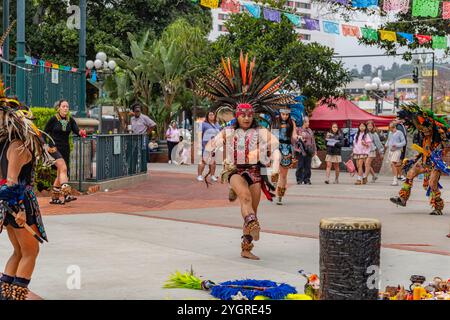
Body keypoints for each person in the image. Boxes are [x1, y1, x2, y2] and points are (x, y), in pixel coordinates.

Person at [198, 52, 291, 260]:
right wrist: (206, 159)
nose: (247, 118)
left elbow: (275, 144)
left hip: (255, 171)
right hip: (235, 170)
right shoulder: (228, 131)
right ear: (236, 115)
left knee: (253, 214)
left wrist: (273, 162)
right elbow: (211, 145)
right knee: (246, 198)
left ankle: (246, 248)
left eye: (250, 115)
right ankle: (236, 193)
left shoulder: (260, 131)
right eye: (243, 115)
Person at [0, 83, 48, 300]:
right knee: (30, 252)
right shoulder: (18, 146)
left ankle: (6, 295)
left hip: (8, 204)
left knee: (19, 251)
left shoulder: (5, 145)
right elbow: (11, 181)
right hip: (20, 203)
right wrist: (18, 209)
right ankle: (16, 296)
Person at [390, 104, 449, 217]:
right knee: (410, 174)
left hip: (436, 162)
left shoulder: (440, 134)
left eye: (426, 128)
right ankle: (402, 198)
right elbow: (423, 144)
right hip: (424, 160)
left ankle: (438, 207)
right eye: (421, 128)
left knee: (432, 184)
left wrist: (441, 158)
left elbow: (447, 149)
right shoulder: (423, 134)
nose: (424, 130)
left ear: (432, 125)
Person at [44, 99, 86, 204]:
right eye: (63, 106)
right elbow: (44, 133)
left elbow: (77, 131)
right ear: (58, 108)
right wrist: (46, 146)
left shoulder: (70, 120)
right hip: (54, 148)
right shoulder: (53, 119)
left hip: (65, 149)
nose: (65, 108)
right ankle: (67, 195)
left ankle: (54, 198)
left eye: (67, 106)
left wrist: (81, 132)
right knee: (63, 169)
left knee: (60, 173)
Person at [272, 109, 297, 205]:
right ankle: (274, 176)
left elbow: (294, 136)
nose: (285, 116)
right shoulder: (275, 121)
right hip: (277, 146)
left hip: (287, 149)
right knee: (276, 163)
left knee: (283, 175)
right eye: (283, 114)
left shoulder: (292, 122)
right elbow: (272, 136)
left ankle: (280, 195)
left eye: (287, 114)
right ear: (280, 113)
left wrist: (297, 137)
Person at [197, 111, 221, 182]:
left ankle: (212, 175)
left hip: (214, 146)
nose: (211, 116)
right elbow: (199, 134)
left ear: (215, 116)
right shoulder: (203, 124)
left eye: (213, 114)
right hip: (205, 146)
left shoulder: (217, 124)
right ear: (207, 116)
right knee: (203, 160)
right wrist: (199, 144)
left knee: (213, 161)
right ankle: (199, 175)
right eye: (210, 115)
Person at [295, 117, 316, 185]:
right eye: (307, 122)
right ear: (304, 122)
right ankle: (299, 179)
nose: (308, 123)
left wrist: (315, 150)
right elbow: (295, 139)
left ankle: (307, 179)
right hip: (301, 150)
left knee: (308, 166)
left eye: (308, 122)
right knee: (300, 165)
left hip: (309, 150)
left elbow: (313, 141)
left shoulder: (310, 130)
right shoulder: (298, 130)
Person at [385, 122, 406, 186]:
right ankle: (397, 177)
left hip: (397, 150)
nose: (390, 129)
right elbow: (389, 140)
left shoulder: (399, 133)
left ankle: (395, 179)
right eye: (389, 128)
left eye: (391, 128)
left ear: (394, 127)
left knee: (392, 163)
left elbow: (404, 142)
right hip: (391, 151)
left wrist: (396, 145)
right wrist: (386, 145)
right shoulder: (390, 133)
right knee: (393, 165)